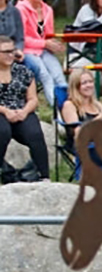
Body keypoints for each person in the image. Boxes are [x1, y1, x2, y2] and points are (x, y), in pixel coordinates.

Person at [0, 35, 48, 182]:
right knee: (3, 131)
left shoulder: (24, 72)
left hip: (22, 110)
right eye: (5, 51)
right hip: (1, 111)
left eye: (12, 51)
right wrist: (5, 111)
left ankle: (44, 175)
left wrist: (24, 111)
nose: (10, 55)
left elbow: (33, 99)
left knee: (35, 134)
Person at [16, 0, 67, 107]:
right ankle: (58, 112)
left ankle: (68, 108)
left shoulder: (48, 10)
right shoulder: (21, 9)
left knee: (58, 75)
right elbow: (21, 38)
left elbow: (48, 34)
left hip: (43, 50)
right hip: (27, 51)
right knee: (45, 75)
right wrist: (44, 43)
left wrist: (54, 45)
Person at [60, 68, 102, 142]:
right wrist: (101, 117)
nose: (89, 85)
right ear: (76, 86)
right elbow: (78, 135)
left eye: (90, 82)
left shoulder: (96, 104)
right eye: (84, 83)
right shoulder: (70, 105)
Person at [0, 0, 27, 69]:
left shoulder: (15, 11)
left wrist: (19, 50)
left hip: (12, 52)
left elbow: (20, 38)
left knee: (34, 65)